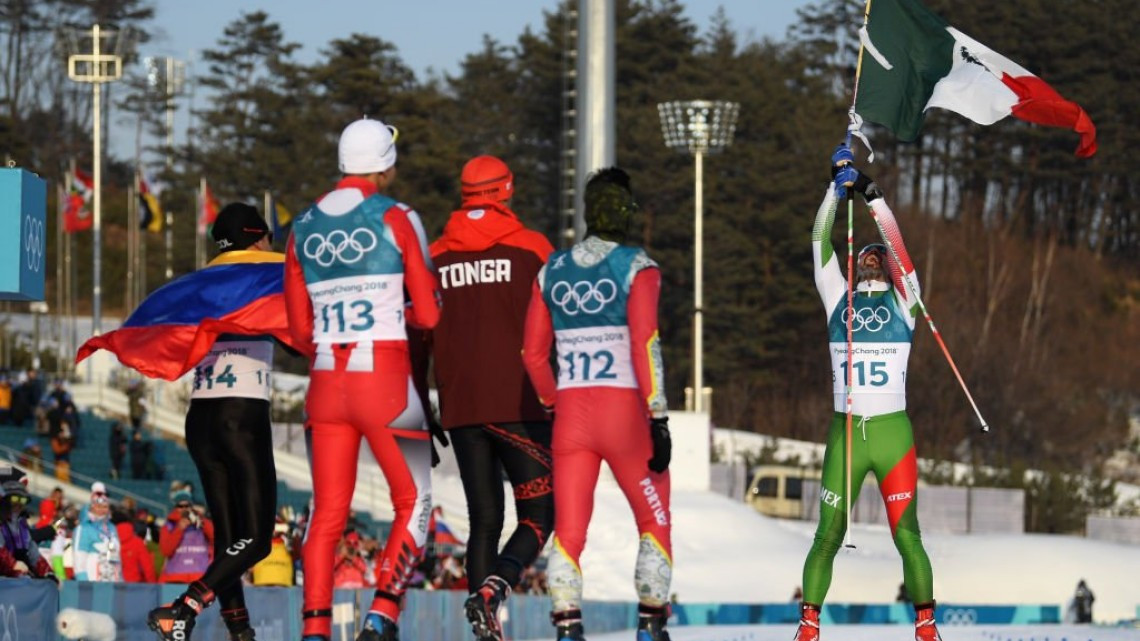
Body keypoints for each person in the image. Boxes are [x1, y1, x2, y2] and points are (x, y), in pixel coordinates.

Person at [284, 117, 441, 641]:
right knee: (414, 503)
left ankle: (314, 630)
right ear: (385, 164)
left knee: (326, 513)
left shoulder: (302, 224)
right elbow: (431, 314)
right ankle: (382, 615)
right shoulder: (399, 216)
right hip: (385, 379)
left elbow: (299, 327)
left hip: (326, 381)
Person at [793, 145, 939, 641]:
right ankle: (808, 626)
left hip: (891, 434)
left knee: (907, 535)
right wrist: (836, 190)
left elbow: (898, 250)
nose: (876, 260)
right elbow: (819, 239)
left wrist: (871, 195)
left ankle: (926, 626)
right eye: (868, 257)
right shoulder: (838, 297)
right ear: (857, 267)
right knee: (827, 535)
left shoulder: (906, 300)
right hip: (847, 435)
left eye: (879, 258)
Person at [521, 167, 672, 641]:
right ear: (624, 211)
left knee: (569, 531)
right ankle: (650, 625)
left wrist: (552, 401)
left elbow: (531, 354)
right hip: (625, 414)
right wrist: (659, 414)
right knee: (653, 519)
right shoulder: (636, 265)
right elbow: (645, 342)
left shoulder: (552, 269)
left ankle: (567, 627)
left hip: (571, 416)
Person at [425, 154, 556, 641]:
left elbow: (420, 332)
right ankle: (491, 594)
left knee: (484, 519)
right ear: (506, 190)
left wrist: (425, 399)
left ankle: (484, 631)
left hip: (461, 407)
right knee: (541, 516)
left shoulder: (434, 254)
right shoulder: (533, 248)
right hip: (521, 404)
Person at [146, 203, 289, 641]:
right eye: (267, 237)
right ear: (255, 237)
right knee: (259, 540)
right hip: (239, 414)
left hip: (200, 418)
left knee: (231, 543)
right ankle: (185, 607)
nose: (271, 245)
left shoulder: (202, 279)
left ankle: (240, 633)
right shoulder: (267, 271)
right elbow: (300, 338)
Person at [0, 477, 58, 582]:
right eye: (14, 499)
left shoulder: (21, 525)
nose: (18, 504)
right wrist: (14, 566)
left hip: (14, 583)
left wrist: (47, 572)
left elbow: (32, 552)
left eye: (22, 500)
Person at [158, 489, 215, 584]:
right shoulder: (169, 526)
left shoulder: (201, 522)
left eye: (187, 506)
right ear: (175, 507)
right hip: (175, 577)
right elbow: (166, 550)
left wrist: (202, 521)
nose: (184, 509)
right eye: (180, 506)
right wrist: (179, 529)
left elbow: (215, 538)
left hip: (200, 576)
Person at [73, 482, 122, 582]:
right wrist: (84, 585)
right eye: (98, 506)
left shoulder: (112, 528)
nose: (102, 510)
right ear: (92, 507)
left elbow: (118, 558)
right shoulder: (83, 528)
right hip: (93, 582)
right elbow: (79, 561)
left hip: (113, 581)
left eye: (105, 507)